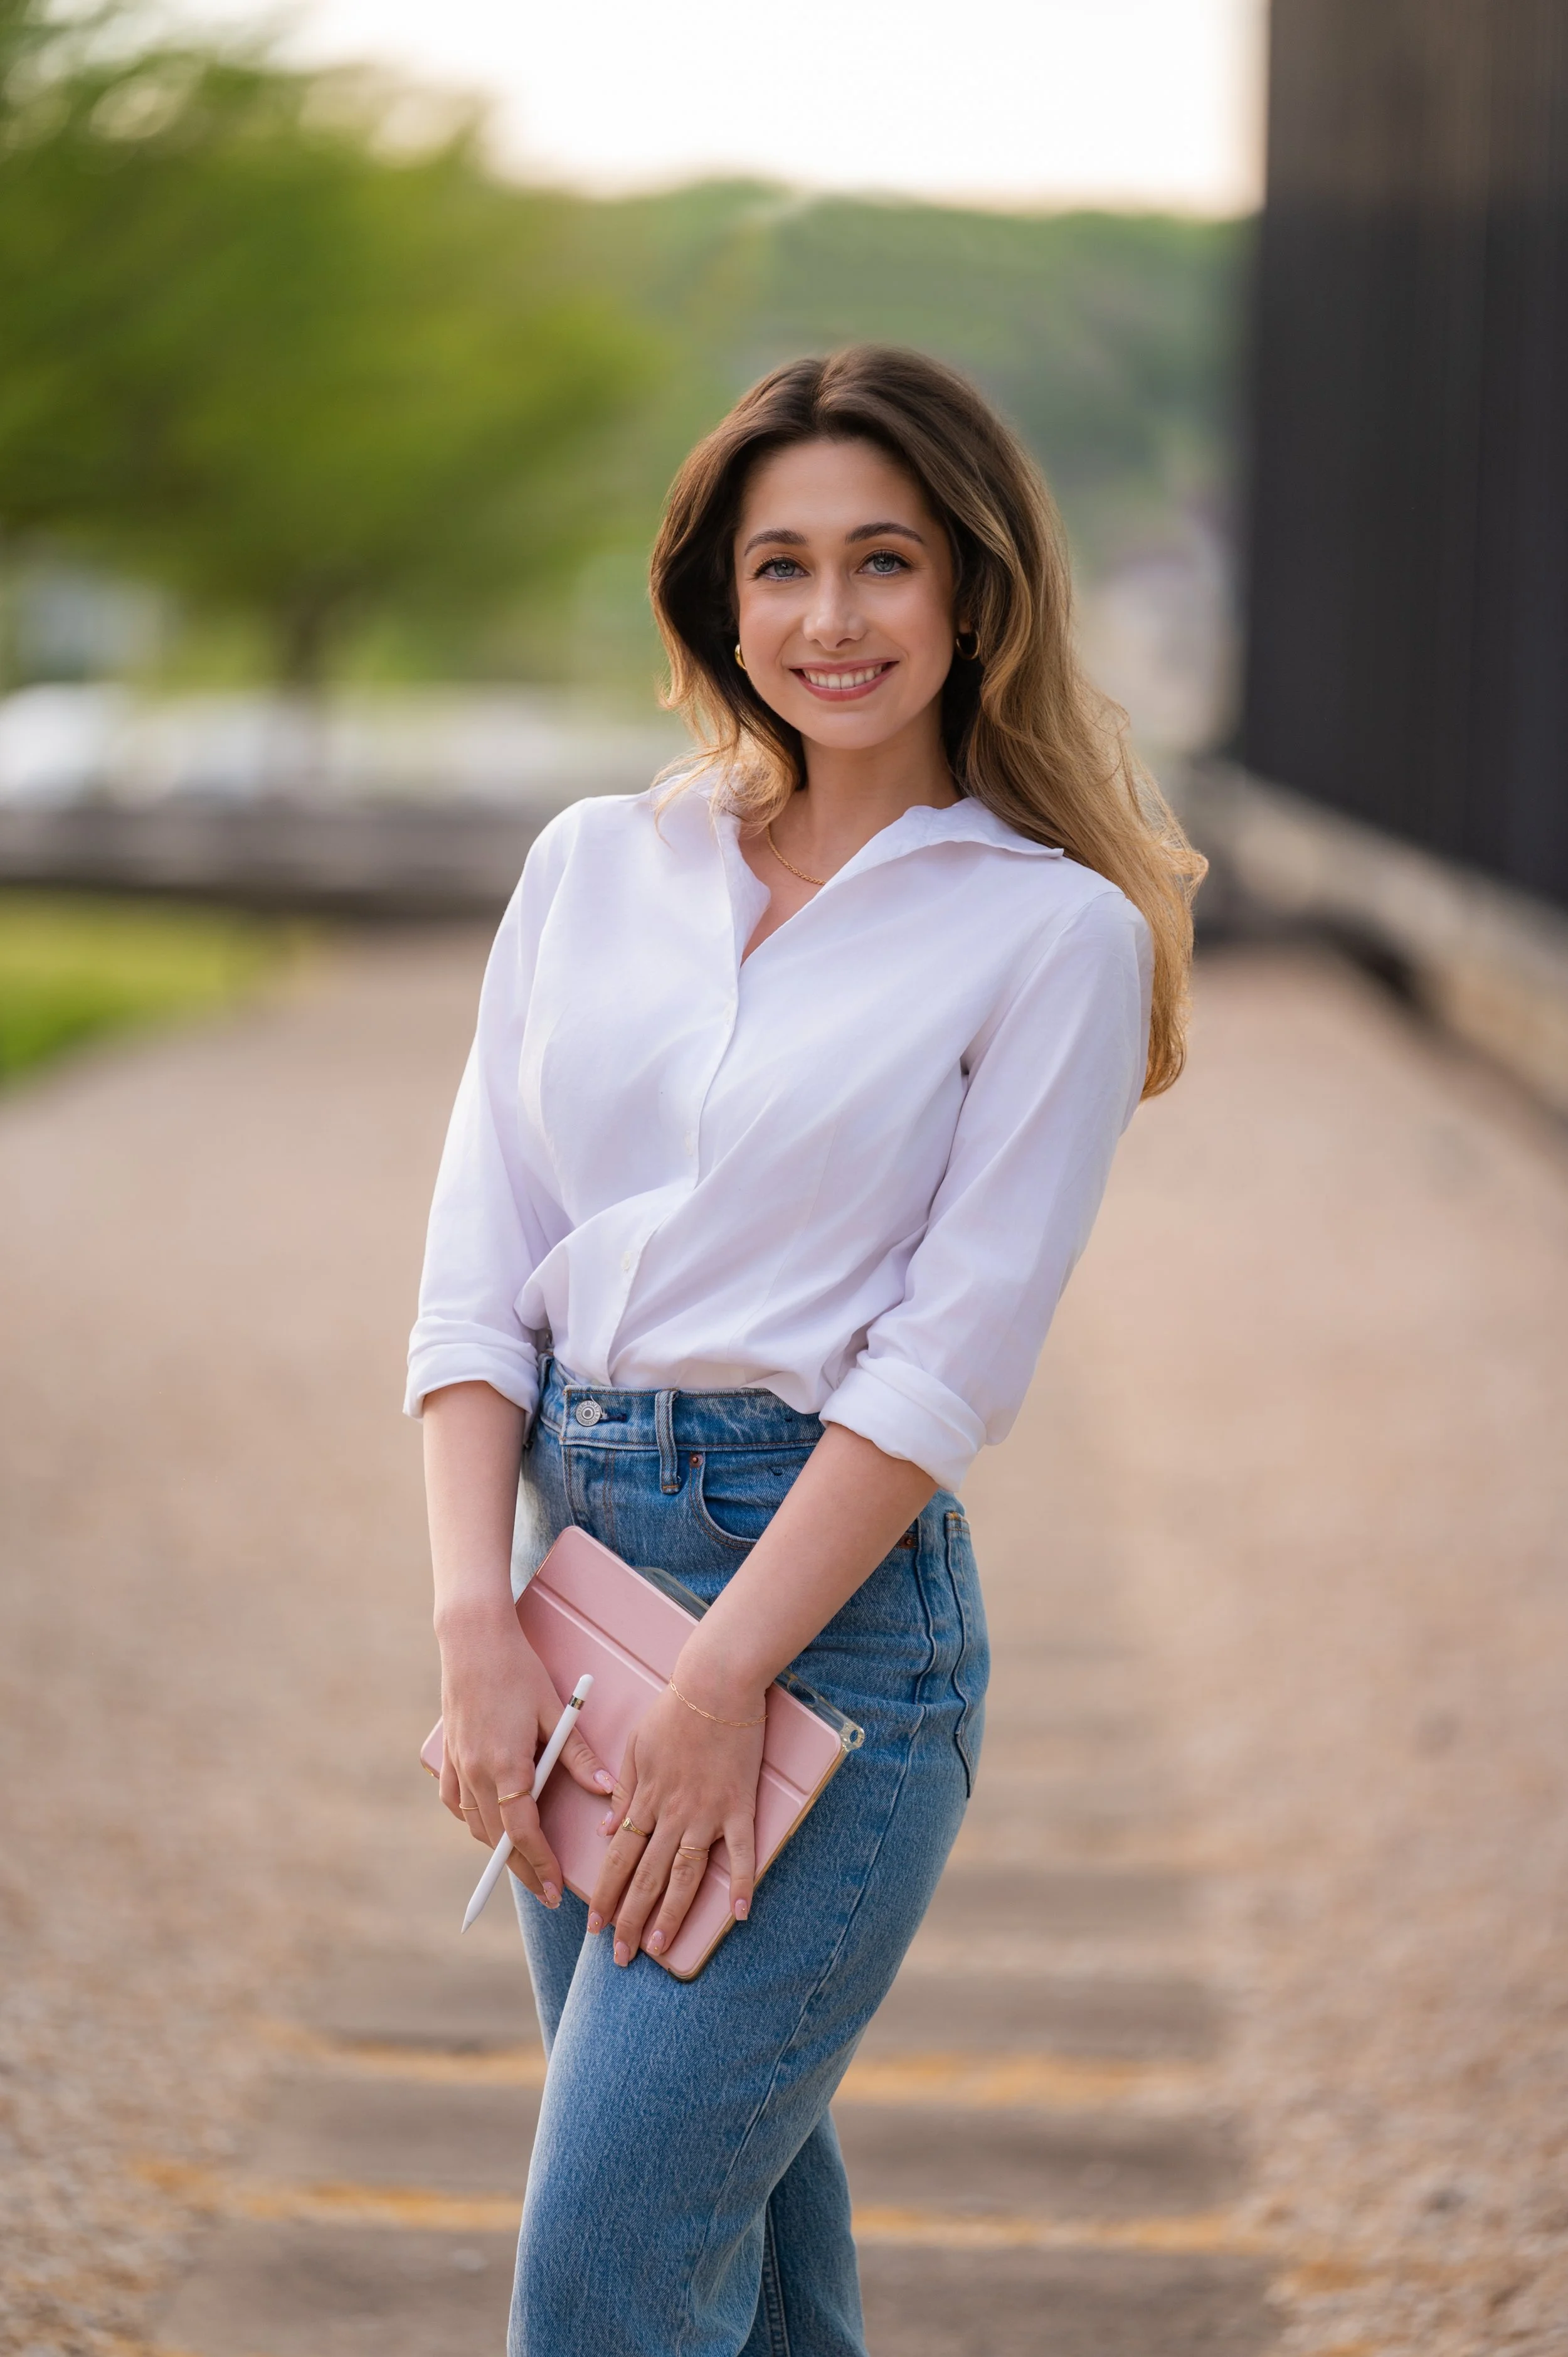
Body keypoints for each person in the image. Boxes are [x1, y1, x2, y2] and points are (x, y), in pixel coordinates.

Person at [405, 344, 1204, 2357]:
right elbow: (477, 1276)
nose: (829, 619)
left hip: (830, 1634)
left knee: (604, 2263)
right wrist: (470, 1625)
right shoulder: (594, 866)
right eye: (779, 566)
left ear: (972, 595)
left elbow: (941, 1368)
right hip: (574, 1590)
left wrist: (727, 1675)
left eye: (882, 562)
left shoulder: (1049, 936)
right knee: (737, 2261)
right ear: (713, 598)